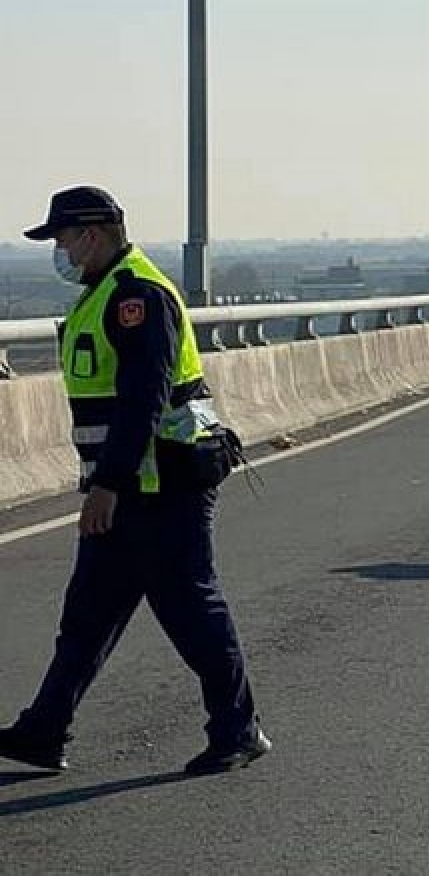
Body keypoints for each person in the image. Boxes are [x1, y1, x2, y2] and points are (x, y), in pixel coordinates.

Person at [0, 186, 269, 776]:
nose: (60, 251)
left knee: (192, 612)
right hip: (124, 488)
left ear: (92, 235)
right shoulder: (102, 293)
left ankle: (237, 730)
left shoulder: (137, 296)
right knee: (87, 616)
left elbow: (143, 398)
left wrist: (109, 485)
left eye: (64, 239)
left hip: (162, 485)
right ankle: (45, 731)